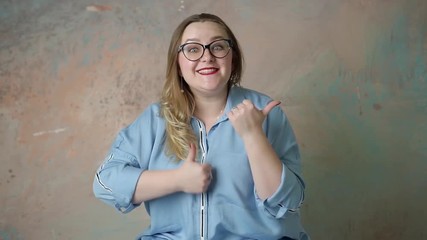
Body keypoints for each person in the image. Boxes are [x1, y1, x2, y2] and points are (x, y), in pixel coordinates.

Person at [93, 13, 309, 240]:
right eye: (193, 49)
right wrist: (177, 180)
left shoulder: (265, 112)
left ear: (232, 57)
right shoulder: (156, 119)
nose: (207, 57)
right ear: (177, 64)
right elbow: (105, 183)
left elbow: (288, 203)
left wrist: (253, 135)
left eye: (217, 46)